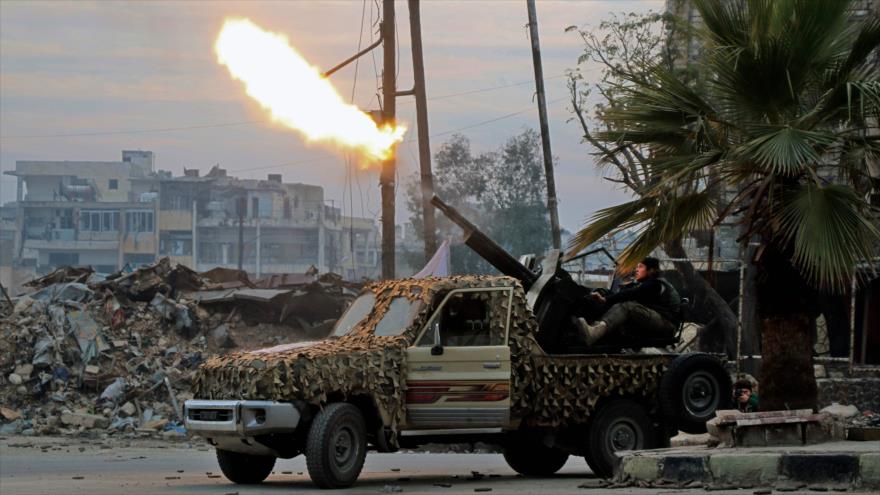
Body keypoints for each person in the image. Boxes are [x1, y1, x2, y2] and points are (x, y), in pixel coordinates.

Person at [575, 256, 681, 346]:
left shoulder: (655, 284)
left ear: (651, 270)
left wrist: (605, 299)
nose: (637, 270)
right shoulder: (644, 284)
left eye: (640, 267)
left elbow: (631, 294)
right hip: (657, 320)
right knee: (622, 303)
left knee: (627, 306)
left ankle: (595, 333)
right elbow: (625, 294)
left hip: (667, 324)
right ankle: (596, 327)